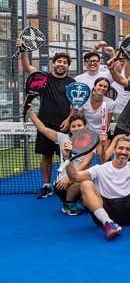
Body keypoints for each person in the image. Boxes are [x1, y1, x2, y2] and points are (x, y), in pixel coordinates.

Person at [62, 136, 130, 240]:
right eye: (121, 148)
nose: (123, 151)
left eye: (128, 149)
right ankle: (108, 224)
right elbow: (75, 177)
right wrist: (67, 158)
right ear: (114, 150)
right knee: (85, 183)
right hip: (106, 211)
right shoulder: (100, 169)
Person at [18, 49, 74, 199]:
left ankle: (67, 185)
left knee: (67, 157)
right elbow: (27, 67)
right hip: (45, 125)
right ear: (53, 63)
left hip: (64, 127)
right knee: (46, 156)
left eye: (64, 62)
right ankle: (46, 186)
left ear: (67, 66)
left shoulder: (72, 83)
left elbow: (76, 106)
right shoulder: (42, 78)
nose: (61, 64)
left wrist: (69, 120)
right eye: (59, 61)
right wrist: (23, 51)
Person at [27, 108, 95, 216]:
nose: (76, 128)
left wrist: (71, 177)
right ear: (70, 128)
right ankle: (68, 203)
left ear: (85, 126)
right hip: (62, 184)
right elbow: (43, 129)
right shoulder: (63, 138)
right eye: (73, 126)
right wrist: (30, 113)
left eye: (79, 125)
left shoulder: (91, 141)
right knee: (83, 183)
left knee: (92, 206)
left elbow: (85, 163)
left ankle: (78, 199)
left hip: (77, 178)